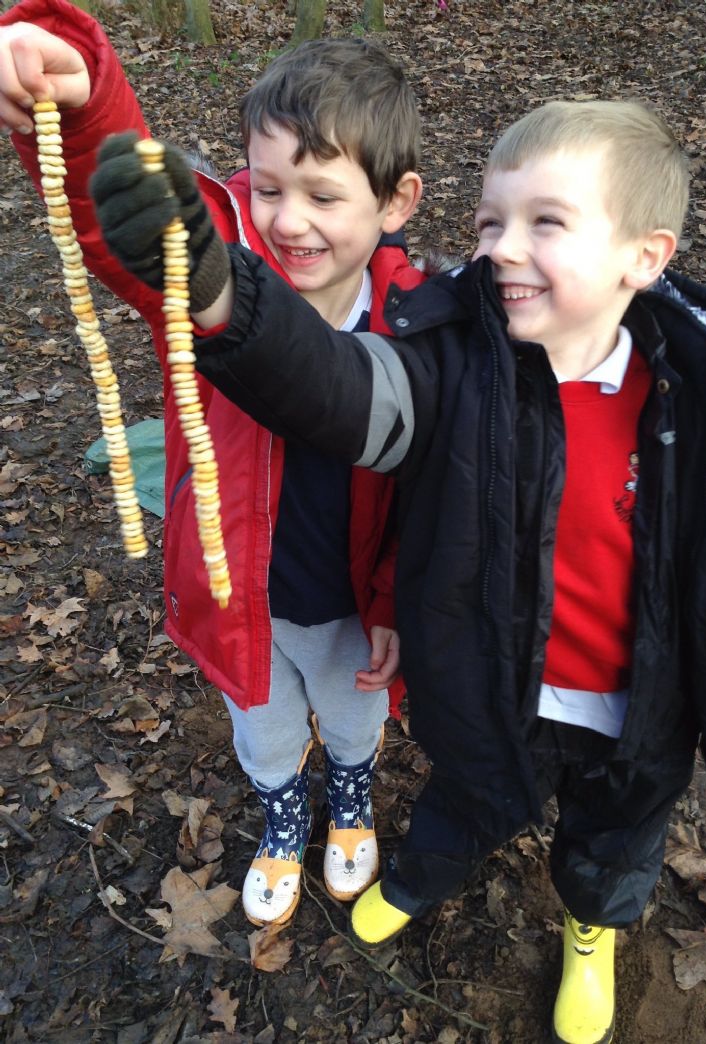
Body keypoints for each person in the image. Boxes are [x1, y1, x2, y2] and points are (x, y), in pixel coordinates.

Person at [90, 97, 706, 1044]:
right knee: (463, 795)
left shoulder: (702, 402)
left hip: (638, 707)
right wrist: (216, 284)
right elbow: (334, 388)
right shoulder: (455, 368)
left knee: (613, 838)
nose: (499, 245)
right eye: (491, 220)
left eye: (545, 222)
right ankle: (417, 876)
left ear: (643, 256)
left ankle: (589, 928)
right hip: (489, 690)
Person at [0, 0, 425, 929]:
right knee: (265, 729)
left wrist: (395, 600)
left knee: (352, 724)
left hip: (353, 600)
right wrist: (79, 98)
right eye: (268, 190)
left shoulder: (421, 324)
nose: (290, 222)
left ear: (394, 202)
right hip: (245, 596)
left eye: (323, 196)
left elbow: (427, 497)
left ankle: (348, 800)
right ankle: (284, 813)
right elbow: (131, 222)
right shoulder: (213, 281)